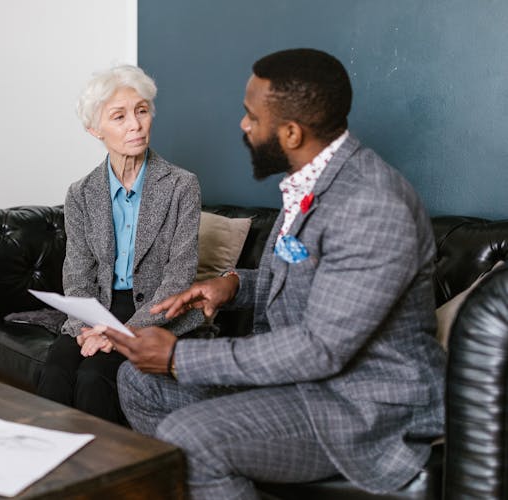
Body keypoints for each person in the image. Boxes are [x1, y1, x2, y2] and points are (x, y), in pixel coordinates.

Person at [104, 49, 445, 498]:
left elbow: (321, 348)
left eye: (251, 117)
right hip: (300, 385)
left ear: (290, 131)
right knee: (138, 382)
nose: (244, 126)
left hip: (363, 408)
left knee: (193, 437)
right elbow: (318, 283)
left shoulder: (371, 204)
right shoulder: (311, 178)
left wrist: (177, 358)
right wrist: (233, 285)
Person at [36, 65, 204, 425]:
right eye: (119, 116)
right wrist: (89, 327)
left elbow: (179, 278)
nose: (135, 124)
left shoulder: (181, 186)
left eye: (141, 111)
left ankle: (104, 472)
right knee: (56, 370)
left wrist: (120, 334)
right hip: (98, 308)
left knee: (95, 377)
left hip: (156, 309)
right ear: (95, 129)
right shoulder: (80, 193)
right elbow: (78, 276)